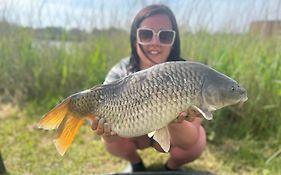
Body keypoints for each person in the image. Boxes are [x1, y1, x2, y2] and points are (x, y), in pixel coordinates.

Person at [91, 4, 206, 172]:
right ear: (134, 38)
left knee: (198, 142)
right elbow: (110, 137)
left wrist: (174, 118)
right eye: (146, 34)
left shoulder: (187, 73)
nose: (155, 42)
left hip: (171, 135)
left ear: (173, 42)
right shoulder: (120, 71)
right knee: (110, 142)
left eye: (165, 36)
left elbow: (190, 139)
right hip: (134, 132)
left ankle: (171, 168)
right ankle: (136, 165)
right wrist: (108, 134)